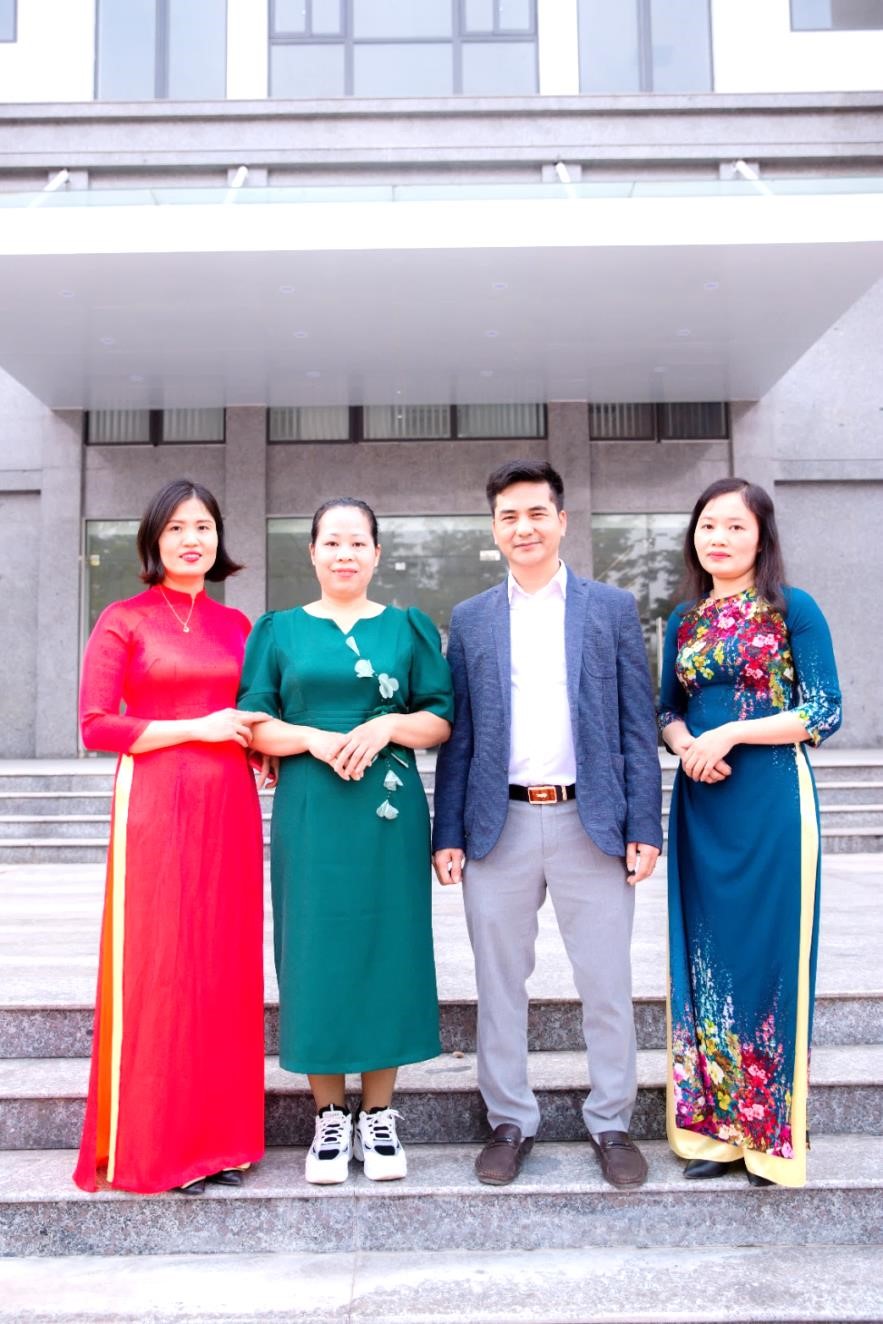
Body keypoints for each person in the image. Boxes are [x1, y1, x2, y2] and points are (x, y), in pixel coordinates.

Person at [432, 459, 662, 1190]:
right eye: (508, 516)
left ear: (561, 521)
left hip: (589, 821)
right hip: (496, 821)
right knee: (499, 983)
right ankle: (509, 1121)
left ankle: (612, 1122)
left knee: (606, 981)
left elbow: (636, 725)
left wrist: (644, 824)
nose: (523, 527)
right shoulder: (471, 618)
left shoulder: (610, 608)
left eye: (536, 513)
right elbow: (460, 736)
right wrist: (447, 832)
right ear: (493, 529)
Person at [238, 497, 453, 1185]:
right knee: (314, 948)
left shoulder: (407, 628)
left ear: (376, 553)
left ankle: (379, 1114)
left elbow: (439, 719)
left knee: (388, 945)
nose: (344, 554)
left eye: (357, 542)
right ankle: (329, 1115)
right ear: (311, 552)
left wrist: (386, 725)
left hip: (387, 812)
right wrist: (312, 738)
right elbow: (254, 723)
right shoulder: (277, 631)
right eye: (331, 542)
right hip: (311, 809)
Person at [74, 479, 269, 1195]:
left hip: (229, 805)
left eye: (204, 527)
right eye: (178, 528)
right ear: (155, 539)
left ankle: (223, 1143)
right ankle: (160, 1143)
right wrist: (198, 727)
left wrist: (262, 748)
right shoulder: (123, 619)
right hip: (155, 803)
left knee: (223, 965)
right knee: (162, 965)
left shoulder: (238, 624)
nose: (193, 539)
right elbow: (96, 725)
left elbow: (250, 713)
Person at [658, 477, 841, 1189]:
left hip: (770, 801)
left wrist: (729, 733)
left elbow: (822, 710)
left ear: (761, 536)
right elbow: (665, 710)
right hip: (701, 802)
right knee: (705, 962)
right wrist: (686, 746)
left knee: (769, 958)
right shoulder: (683, 619)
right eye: (708, 525)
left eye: (735, 526)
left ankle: (769, 1135)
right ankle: (715, 1133)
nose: (719, 538)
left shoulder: (793, 608)